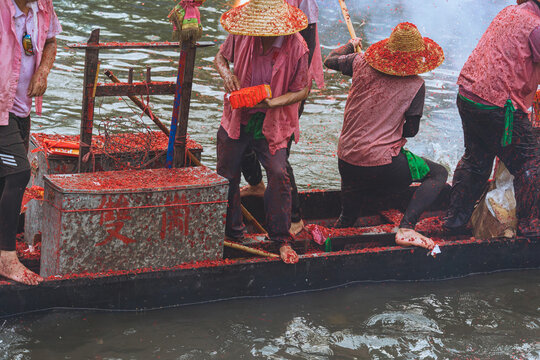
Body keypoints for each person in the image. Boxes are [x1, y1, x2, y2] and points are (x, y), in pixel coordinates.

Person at [324, 23, 448, 249]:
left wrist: (350, 46)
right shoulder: (415, 84)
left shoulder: (359, 61)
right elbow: (411, 131)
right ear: (416, 57)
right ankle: (408, 226)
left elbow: (330, 60)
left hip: (347, 159)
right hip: (381, 166)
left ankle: (336, 237)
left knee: (348, 218)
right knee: (439, 173)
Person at [214, 0, 310, 263]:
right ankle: (233, 233)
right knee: (226, 174)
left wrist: (273, 102)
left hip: (273, 119)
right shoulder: (243, 31)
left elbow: (303, 89)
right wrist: (227, 76)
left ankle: (280, 238)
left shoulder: (298, 46)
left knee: (279, 173)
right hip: (238, 115)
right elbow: (221, 57)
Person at [444, 0, 540, 237]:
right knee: (529, 163)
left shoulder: (510, 12)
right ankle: (531, 228)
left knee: (476, 160)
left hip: (469, 94)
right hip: (499, 107)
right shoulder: (536, 27)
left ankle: (454, 222)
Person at [238, 0, 324, 236]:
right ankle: (256, 183)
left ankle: (295, 217)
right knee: (241, 132)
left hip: (288, 79)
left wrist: (290, 90)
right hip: (261, 75)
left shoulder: (303, 4)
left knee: (279, 147)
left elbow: (306, 40)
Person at [0, 0, 61, 285]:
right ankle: (7, 258)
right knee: (18, 172)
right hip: (0, 108)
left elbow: (50, 40)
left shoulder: (43, 7)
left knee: (4, 177)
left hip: (21, 105)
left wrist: (43, 71)